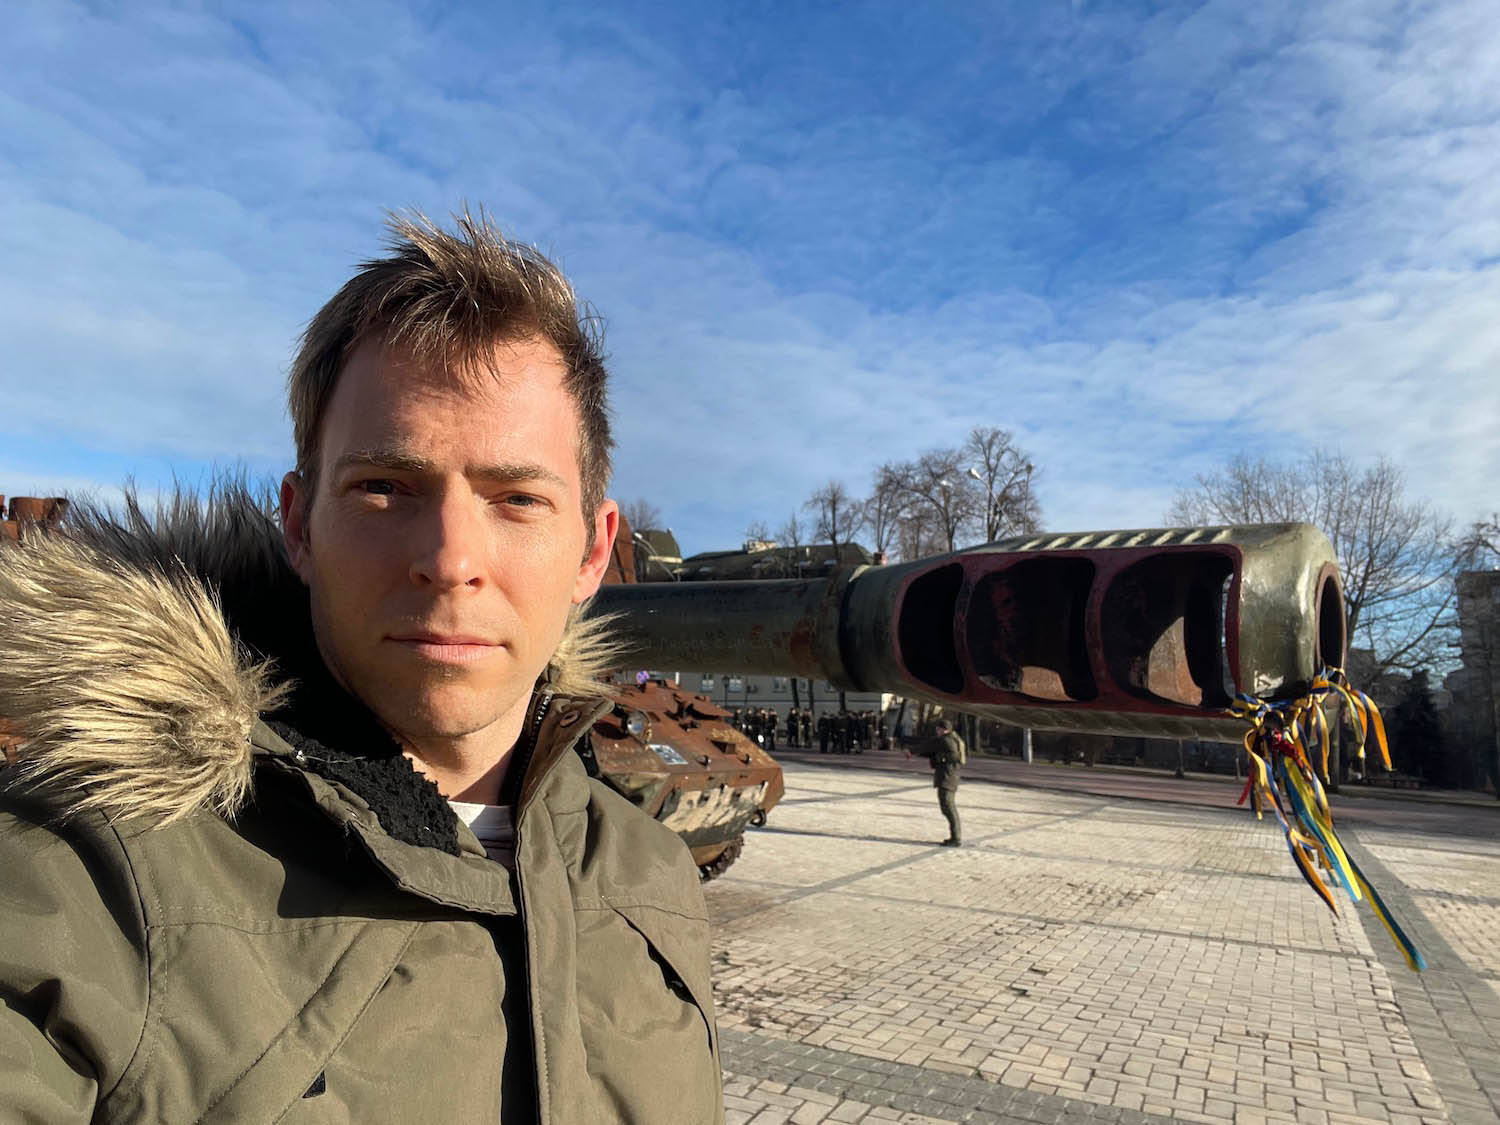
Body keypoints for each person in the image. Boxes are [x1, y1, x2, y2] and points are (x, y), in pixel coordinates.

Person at [0, 212, 723, 1122]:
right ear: (299, 524)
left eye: (517, 497)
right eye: (385, 486)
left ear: (593, 549)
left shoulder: (651, 876)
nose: (450, 557)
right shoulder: (90, 877)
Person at [910, 718, 967, 846]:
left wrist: (912, 751)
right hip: (950, 776)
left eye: (938, 729)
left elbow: (929, 746)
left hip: (947, 777)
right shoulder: (953, 739)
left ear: (944, 729)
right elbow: (932, 751)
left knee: (948, 807)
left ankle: (956, 838)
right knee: (947, 806)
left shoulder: (946, 741)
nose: (936, 731)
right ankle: (955, 837)